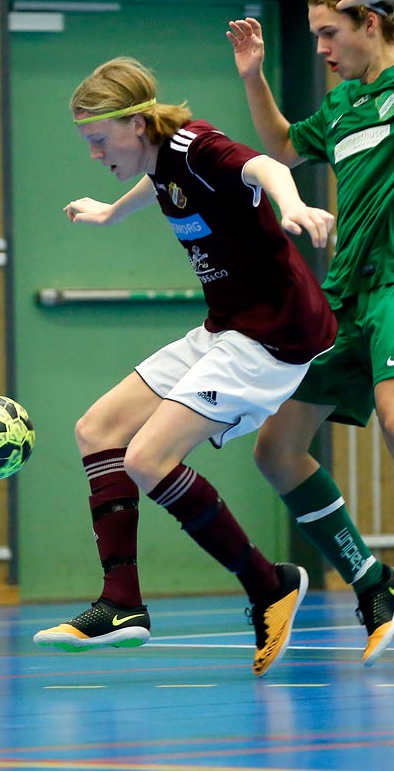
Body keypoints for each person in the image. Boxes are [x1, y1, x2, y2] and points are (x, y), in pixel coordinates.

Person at [32, 56, 338, 678]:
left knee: (146, 459)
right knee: (97, 430)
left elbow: (263, 165)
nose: (93, 153)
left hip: (274, 334)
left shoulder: (193, 144)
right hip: (225, 326)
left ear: (138, 123)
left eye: (98, 141)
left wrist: (293, 206)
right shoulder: (162, 161)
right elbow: (159, 186)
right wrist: (110, 213)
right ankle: (122, 604)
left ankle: (266, 585)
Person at [226, 0, 394, 666]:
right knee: (276, 450)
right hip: (343, 296)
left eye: (328, 34)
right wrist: (254, 78)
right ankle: (371, 581)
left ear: (368, 21)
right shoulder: (340, 107)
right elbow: (280, 142)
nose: (321, 48)